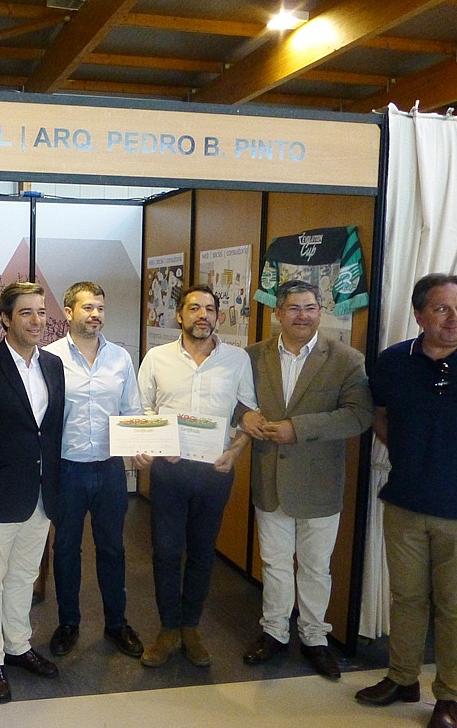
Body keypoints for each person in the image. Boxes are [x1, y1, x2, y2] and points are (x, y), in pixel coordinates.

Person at [356, 273, 457, 728]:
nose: (454, 318)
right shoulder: (394, 361)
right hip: (406, 503)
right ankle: (402, 678)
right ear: (418, 314)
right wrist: (410, 454)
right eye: (442, 309)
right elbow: (380, 415)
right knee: (407, 598)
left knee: (455, 607)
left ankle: (449, 698)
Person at [239, 279, 373, 679]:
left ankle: (315, 638)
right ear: (277, 313)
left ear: (321, 312)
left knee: (316, 567)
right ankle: (275, 632)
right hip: (271, 480)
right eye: (294, 308)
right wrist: (243, 416)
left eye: (311, 308)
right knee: (275, 563)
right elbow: (233, 400)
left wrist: (298, 428)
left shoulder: (346, 359)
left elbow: (358, 415)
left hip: (319, 483)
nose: (303, 316)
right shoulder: (252, 356)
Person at [134, 284, 256, 667]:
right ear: (179, 316)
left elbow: (247, 413)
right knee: (167, 552)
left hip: (215, 472)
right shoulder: (157, 358)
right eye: (194, 308)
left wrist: (235, 451)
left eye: (209, 309)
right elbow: (143, 408)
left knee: (203, 554)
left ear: (218, 316)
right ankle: (168, 629)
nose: (203, 315)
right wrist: (155, 443)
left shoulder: (237, 359)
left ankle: (191, 627)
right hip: (170, 471)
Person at [0, 282, 64, 702]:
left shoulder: (53, 366)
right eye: (26, 312)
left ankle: (18, 646)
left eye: (41, 312)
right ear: (5, 318)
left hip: (40, 494)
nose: (37, 321)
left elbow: (49, 432)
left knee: (24, 576)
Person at [43, 281, 145, 659]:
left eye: (100, 308)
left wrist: (141, 448)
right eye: (88, 308)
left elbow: (132, 410)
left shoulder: (120, 358)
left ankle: (117, 624)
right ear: (69, 312)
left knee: (113, 548)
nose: (95, 314)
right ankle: (68, 623)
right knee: (66, 548)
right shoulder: (49, 358)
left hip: (109, 469)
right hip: (66, 469)